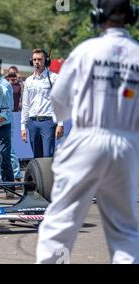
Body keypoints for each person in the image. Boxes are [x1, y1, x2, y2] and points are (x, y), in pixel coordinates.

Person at [36, 0, 139, 264]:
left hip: (87, 138)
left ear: (97, 15)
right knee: (125, 230)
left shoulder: (86, 51)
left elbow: (59, 101)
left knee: (60, 224)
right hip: (127, 144)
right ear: (131, 16)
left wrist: (66, 115)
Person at [21, 49, 64, 158]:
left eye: (39, 59)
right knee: (37, 156)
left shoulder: (54, 78)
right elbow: (25, 104)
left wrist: (60, 124)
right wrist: (23, 126)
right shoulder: (29, 81)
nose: (36, 62)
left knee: (47, 155)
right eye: (34, 59)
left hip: (48, 122)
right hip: (32, 122)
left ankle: (49, 175)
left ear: (46, 61)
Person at [0, 59, 23, 184]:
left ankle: (15, 175)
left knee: (7, 151)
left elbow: (8, 107)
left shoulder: (4, 85)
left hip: (4, 122)